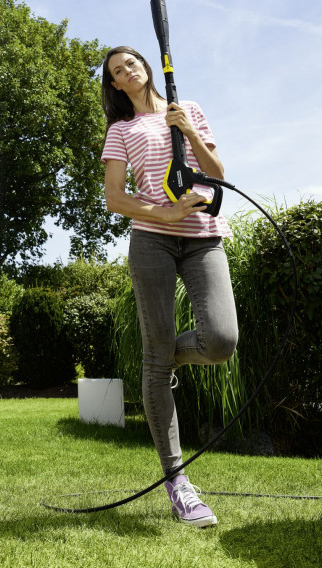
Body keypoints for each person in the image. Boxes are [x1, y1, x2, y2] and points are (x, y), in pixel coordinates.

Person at [101, 45, 238, 528]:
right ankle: (179, 486)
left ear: (147, 66)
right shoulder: (121, 130)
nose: (126, 71)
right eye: (117, 72)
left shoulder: (189, 109)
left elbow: (217, 174)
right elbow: (116, 198)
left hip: (202, 239)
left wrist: (188, 132)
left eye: (131, 63)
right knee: (157, 359)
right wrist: (162, 212)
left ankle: (161, 359)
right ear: (116, 85)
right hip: (153, 242)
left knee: (221, 341)